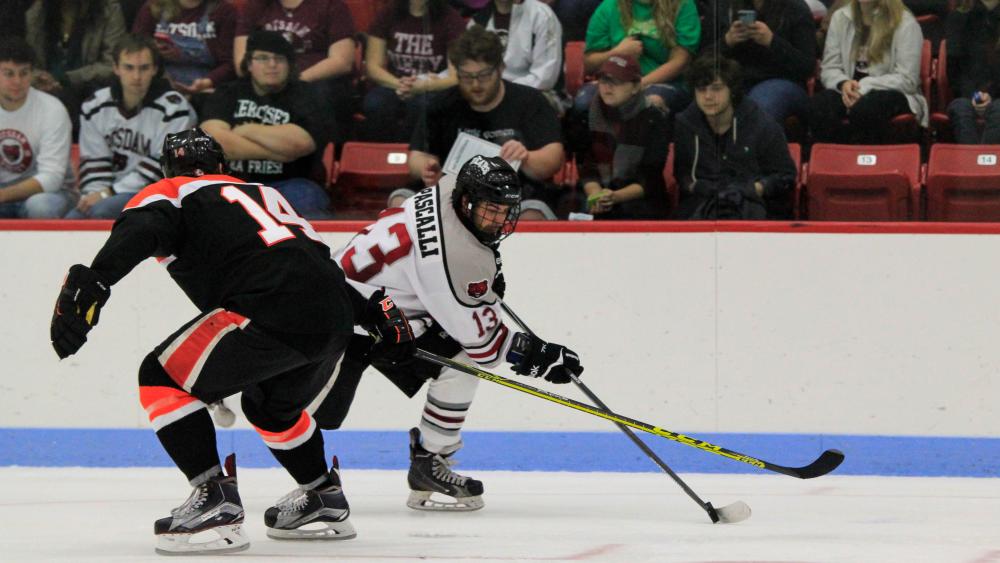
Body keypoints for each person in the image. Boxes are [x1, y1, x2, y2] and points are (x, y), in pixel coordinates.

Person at [48, 127, 415, 555]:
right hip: (332, 313)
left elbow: (143, 228)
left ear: (169, 169)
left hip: (268, 308)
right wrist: (376, 314)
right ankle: (322, 494)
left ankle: (213, 497)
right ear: (224, 166)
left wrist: (97, 280)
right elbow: (312, 264)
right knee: (272, 408)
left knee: (161, 377)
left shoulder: (173, 190)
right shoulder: (266, 195)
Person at [310, 155, 585, 511]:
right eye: (491, 209)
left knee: (458, 360)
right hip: (346, 320)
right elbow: (485, 346)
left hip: (374, 304)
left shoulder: (449, 186)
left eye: (505, 210)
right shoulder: (455, 256)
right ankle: (219, 424)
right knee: (294, 410)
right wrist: (537, 358)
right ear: (468, 201)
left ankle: (431, 461)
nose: (500, 220)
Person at [405, 26, 566, 219]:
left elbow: (553, 160)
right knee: (401, 200)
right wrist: (428, 168)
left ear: (500, 69)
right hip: (453, 195)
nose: (475, 84)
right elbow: (416, 157)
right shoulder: (441, 105)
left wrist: (525, 157)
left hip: (516, 197)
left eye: (483, 76)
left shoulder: (530, 101)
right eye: (466, 77)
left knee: (533, 213)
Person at [201, 30, 335, 219]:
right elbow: (214, 144)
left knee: (308, 198)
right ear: (249, 63)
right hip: (235, 183)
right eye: (263, 58)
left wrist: (247, 130)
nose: (272, 65)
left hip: (293, 184)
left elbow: (300, 143)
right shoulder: (227, 93)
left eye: (279, 59)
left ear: (289, 65)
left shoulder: (308, 95)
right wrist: (280, 152)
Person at [67, 35, 196, 219]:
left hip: (159, 195)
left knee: (101, 210)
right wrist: (94, 196)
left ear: (154, 69)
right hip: (108, 194)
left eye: (144, 68)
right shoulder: (94, 106)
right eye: (129, 68)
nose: (136, 76)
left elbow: (161, 168)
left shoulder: (175, 108)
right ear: (116, 68)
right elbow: (94, 163)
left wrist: (107, 194)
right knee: (72, 219)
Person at [673, 55, 796, 220]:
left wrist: (755, 189)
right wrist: (697, 187)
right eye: (701, 89)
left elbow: (785, 175)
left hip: (755, 205)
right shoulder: (685, 123)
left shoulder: (762, 123)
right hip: (702, 204)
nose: (708, 96)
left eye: (716, 88)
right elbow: (682, 174)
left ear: (732, 90)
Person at [234, 0, 356, 142]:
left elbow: (342, 61)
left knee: (318, 94)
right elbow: (242, 64)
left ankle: (319, 155)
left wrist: (293, 81)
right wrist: (271, 80)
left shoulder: (332, 6)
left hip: (313, 80)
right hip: (266, 79)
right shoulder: (254, 7)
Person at [810, 0, 927, 145]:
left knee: (866, 110)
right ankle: (834, 162)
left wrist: (863, 87)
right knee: (820, 106)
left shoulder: (905, 23)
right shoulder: (840, 17)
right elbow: (829, 68)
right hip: (847, 90)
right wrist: (843, 83)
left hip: (894, 91)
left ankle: (868, 163)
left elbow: (907, 80)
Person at [574, 54, 671, 219]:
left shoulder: (653, 118)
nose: (607, 88)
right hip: (595, 193)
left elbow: (650, 179)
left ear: (636, 86)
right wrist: (596, 194)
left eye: (616, 82)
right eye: (603, 81)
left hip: (640, 198)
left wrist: (615, 197)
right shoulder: (587, 114)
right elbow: (586, 167)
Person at [362, 0, 466, 141]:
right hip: (393, 83)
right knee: (375, 103)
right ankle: (381, 156)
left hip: (433, 86)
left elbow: (456, 77)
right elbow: (372, 66)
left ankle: (414, 154)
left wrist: (425, 86)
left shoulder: (451, 18)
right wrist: (400, 84)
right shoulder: (387, 13)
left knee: (422, 105)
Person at [576, 0, 701, 115]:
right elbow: (588, 64)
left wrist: (636, 85)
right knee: (584, 102)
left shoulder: (682, 5)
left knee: (649, 104)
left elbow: (680, 62)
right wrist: (616, 53)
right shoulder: (609, 6)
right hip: (615, 80)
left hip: (665, 83)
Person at [25, 0, 128, 135]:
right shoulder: (37, 12)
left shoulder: (109, 11)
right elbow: (28, 62)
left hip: (89, 93)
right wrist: (38, 77)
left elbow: (112, 64)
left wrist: (69, 78)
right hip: (44, 94)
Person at [0, 38, 76, 218]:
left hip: (52, 193)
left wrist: (3, 195)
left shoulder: (52, 109)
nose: (17, 81)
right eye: (9, 74)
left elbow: (52, 178)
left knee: (41, 206)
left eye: (24, 73)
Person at [713, 0, 817, 124]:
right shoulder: (724, 7)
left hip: (784, 81)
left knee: (761, 105)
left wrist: (772, 42)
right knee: (704, 99)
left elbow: (807, 66)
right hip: (736, 80)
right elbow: (703, 59)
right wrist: (727, 41)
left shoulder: (795, 8)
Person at [470, 0, 564, 113]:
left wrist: (499, 90)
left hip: (537, 92)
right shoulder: (479, 20)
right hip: (489, 91)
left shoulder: (541, 15)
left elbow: (545, 78)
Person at [131, 0, 238, 97]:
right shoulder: (154, 7)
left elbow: (230, 63)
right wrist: (153, 51)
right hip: (159, 83)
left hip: (205, 89)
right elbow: (134, 48)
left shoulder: (223, 10)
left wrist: (207, 82)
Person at [944, 0, 1000, 144]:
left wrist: (991, 97)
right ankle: (969, 164)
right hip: (967, 95)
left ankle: (988, 164)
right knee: (961, 109)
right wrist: (976, 96)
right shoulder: (959, 18)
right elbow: (954, 71)